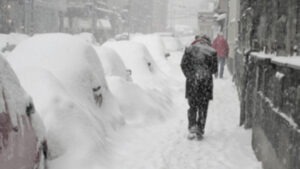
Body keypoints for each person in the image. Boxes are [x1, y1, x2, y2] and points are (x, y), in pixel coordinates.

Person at [180, 35, 218, 139]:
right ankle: (200, 129)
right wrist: (206, 73)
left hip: (192, 84)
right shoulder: (212, 52)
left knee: (192, 106)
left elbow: (183, 65)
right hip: (206, 85)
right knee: (203, 108)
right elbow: (214, 69)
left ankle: (192, 127)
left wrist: (190, 75)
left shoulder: (189, 50)